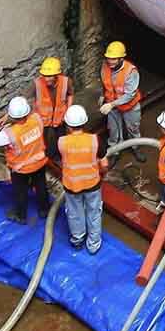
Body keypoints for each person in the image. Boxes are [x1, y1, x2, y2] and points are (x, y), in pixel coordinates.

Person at [0, 97, 50, 223]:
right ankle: (44, 210)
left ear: (12, 116)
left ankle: (21, 216)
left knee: (20, 192)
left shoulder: (9, 134)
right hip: (39, 162)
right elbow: (31, 110)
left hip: (21, 169)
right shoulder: (37, 119)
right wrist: (9, 117)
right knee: (41, 186)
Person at [57, 104, 108, 253]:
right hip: (92, 184)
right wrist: (102, 175)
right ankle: (93, 245)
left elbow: (61, 160)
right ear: (84, 123)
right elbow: (104, 164)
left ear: (68, 125)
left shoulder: (62, 142)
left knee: (74, 212)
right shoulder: (95, 140)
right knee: (94, 213)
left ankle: (77, 239)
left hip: (72, 185)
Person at [98, 41, 142, 163]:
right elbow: (104, 82)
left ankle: (136, 147)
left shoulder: (131, 71)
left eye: (114, 59)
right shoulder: (105, 66)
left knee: (133, 128)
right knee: (113, 130)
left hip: (129, 106)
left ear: (121, 58)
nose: (110, 61)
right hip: (112, 105)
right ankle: (115, 150)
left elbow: (130, 94)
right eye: (108, 58)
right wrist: (103, 96)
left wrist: (111, 104)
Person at [34, 56, 73, 161]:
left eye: (50, 76)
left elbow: (70, 94)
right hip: (43, 118)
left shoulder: (66, 82)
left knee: (61, 138)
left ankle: (61, 156)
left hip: (60, 117)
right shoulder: (37, 83)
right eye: (45, 76)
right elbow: (23, 99)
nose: (47, 79)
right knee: (43, 140)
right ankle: (45, 157)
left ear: (57, 75)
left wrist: (68, 110)